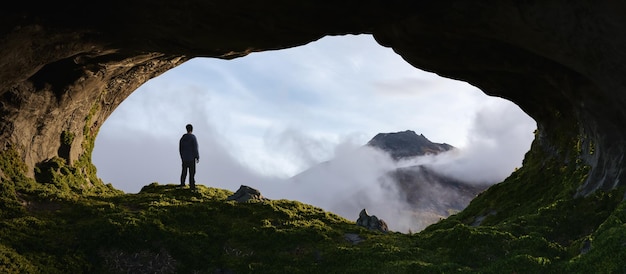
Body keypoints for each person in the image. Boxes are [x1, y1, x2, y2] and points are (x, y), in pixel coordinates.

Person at [179, 124, 199, 190]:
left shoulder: (183, 138)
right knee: (192, 172)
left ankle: (182, 183)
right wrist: (197, 156)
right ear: (192, 129)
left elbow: (180, 148)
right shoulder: (193, 137)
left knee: (184, 171)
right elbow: (195, 148)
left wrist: (182, 156)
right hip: (191, 158)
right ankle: (192, 185)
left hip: (184, 158)